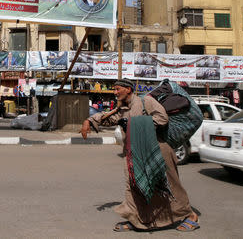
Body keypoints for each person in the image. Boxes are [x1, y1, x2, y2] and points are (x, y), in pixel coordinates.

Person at [80, 78, 200, 232]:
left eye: (117, 89)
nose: (115, 93)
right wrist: (89, 121)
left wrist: (132, 124)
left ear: (128, 89)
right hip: (136, 152)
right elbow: (109, 118)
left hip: (157, 148)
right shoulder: (123, 108)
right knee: (135, 186)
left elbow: (162, 119)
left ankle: (190, 215)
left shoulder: (146, 102)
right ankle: (137, 219)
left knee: (169, 185)